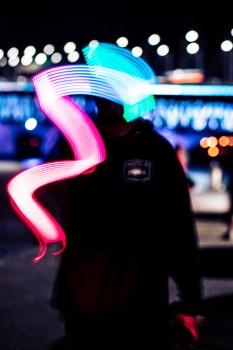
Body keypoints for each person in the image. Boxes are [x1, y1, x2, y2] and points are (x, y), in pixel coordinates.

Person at [40, 97, 203, 350]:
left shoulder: (156, 150)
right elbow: (48, 197)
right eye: (103, 91)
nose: (110, 100)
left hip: (143, 306)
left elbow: (179, 227)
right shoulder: (72, 146)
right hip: (83, 303)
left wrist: (191, 301)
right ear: (94, 95)